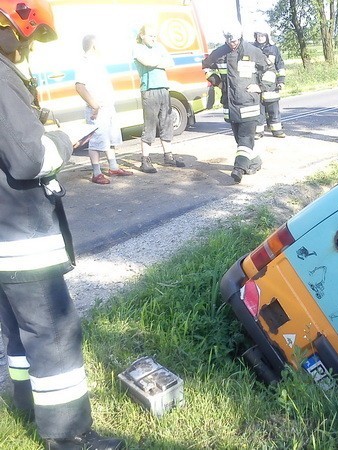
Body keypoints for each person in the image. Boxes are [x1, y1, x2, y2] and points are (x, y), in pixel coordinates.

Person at [0, 1, 124, 448]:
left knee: (19, 328)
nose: (28, 48)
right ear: (12, 28)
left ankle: (24, 405)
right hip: (19, 236)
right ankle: (68, 434)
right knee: (55, 331)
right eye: (28, 38)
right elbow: (29, 158)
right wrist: (63, 139)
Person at [202, 20, 277, 183]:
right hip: (230, 104)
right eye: (229, 40)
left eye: (234, 40)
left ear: (240, 36)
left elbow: (271, 70)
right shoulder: (219, 53)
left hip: (249, 103)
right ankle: (255, 162)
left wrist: (260, 86)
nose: (232, 43)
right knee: (241, 140)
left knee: (245, 138)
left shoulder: (253, 51)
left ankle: (239, 169)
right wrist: (217, 82)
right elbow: (206, 67)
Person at [75, 34, 133, 184]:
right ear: (94, 45)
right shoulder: (85, 63)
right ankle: (96, 173)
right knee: (96, 140)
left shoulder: (97, 62)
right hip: (97, 109)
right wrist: (94, 105)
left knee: (110, 138)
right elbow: (79, 86)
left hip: (107, 106)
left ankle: (113, 167)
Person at [133, 23, 185, 174]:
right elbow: (147, 62)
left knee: (167, 123)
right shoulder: (137, 48)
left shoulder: (159, 47)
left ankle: (168, 156)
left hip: (164, 88)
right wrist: (160, 61)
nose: (154, 39)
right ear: (142, 35)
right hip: (149, 90)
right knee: (150, 125)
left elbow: (171, 62)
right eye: (150, 35)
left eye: (155, 36)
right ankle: (145, 160)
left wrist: (156, 61)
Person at [253, 22, 286, 139]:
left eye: (262, 35)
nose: (260, 37)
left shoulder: (273, 49)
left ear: (267, 36)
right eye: (258, 35)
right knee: (258, 109)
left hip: (271, 84)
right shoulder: (251, 49)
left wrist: (281, 81)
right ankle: (258, 131)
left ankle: (277, 130)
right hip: (256, 83)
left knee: (273, 108)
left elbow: (280, 65)